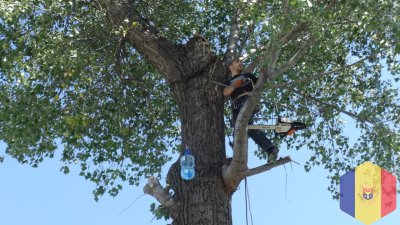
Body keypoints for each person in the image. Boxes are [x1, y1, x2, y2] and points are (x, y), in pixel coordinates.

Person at [223, 59, 279, 163]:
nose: (240, 63)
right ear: (230, 66)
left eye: (241, 62)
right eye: (237, 62)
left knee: (246, 126)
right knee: (240, 129)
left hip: (247, 100)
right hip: (236, 107)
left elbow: (262, 83)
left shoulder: (247, 75)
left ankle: (270, 148)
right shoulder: (229, 82)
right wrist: (235, 84)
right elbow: (225, 92)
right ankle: (237, 158)